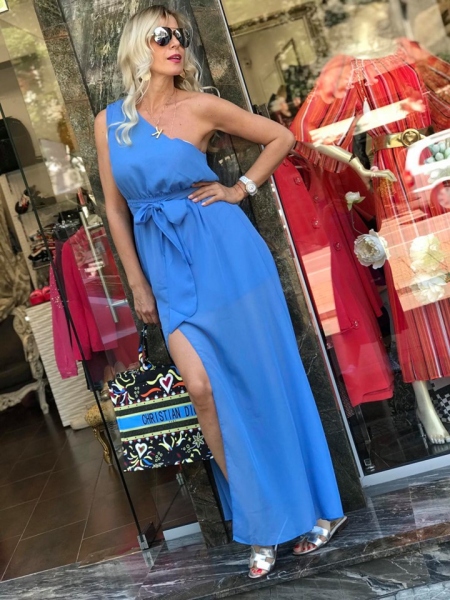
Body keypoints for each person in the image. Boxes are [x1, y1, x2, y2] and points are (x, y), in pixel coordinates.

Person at [94, 5, 346, 579]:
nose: (175, 44)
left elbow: (280, 136)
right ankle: (265, 517)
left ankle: (315, 511)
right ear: (138, 46)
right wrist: (137, 282)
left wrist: (241, 189)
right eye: (162, 36)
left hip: (228, 258)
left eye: (180, 35)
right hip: (166, 271)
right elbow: (115, 207)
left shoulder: (201, 105)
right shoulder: (109, 122)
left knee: (268, 383)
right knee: (203, 389)